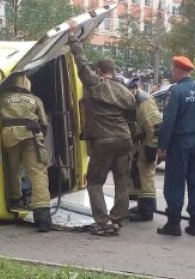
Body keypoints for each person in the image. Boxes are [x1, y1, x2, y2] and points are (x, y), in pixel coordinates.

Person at [67, 20, 137, 236]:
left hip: (104, 139)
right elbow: (132, 117)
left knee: (95, 181)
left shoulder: (95, 84)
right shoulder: (125, 91)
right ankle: (117, 218)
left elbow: (80, 62)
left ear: (99, 70)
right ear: (113, 71)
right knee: (122, 182)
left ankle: (104, 222)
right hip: (124, 138)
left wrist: (72, 37)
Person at [156, 56, 195, 236]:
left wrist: (162, 144)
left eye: (173, 70)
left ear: (178, 70)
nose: (172, 72)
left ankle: (173, 224)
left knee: (175, 182)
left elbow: (169, 120)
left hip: (180, 143)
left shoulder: (176, 91)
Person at [0, 72, 52, 232]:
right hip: (31, 137)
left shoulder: (2, 97)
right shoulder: (35, 99)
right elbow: (43, 122)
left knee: (12, 170)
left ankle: (15, 200)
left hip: (9, 136)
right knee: (37, 173)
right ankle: (42, 217)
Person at [126, 77, 163, 222]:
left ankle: (146, 212)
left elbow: (154, 128)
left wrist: (151, 149)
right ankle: (142, 206)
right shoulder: (134, 99)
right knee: (138, 174)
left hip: (148, 141)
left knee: (146, 174)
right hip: (141, 140)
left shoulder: (144, 102)